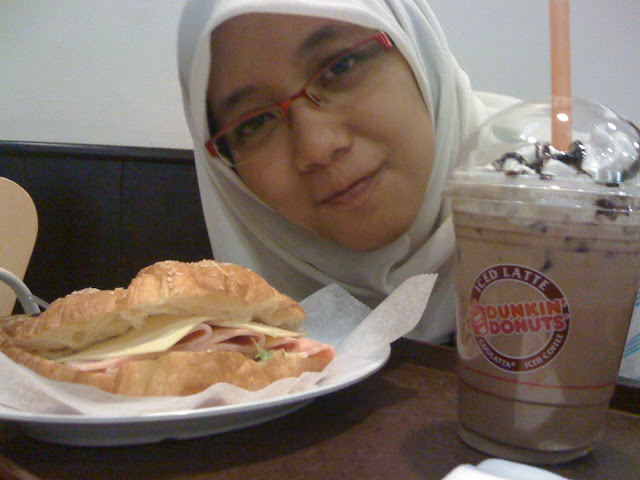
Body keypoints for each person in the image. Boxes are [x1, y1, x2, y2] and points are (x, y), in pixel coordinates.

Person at [177, 0, 516, 343]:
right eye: (255, 122)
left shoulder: (541, 192)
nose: (317, 148)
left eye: (342, 66)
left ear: (417, 53)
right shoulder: (235, 345)